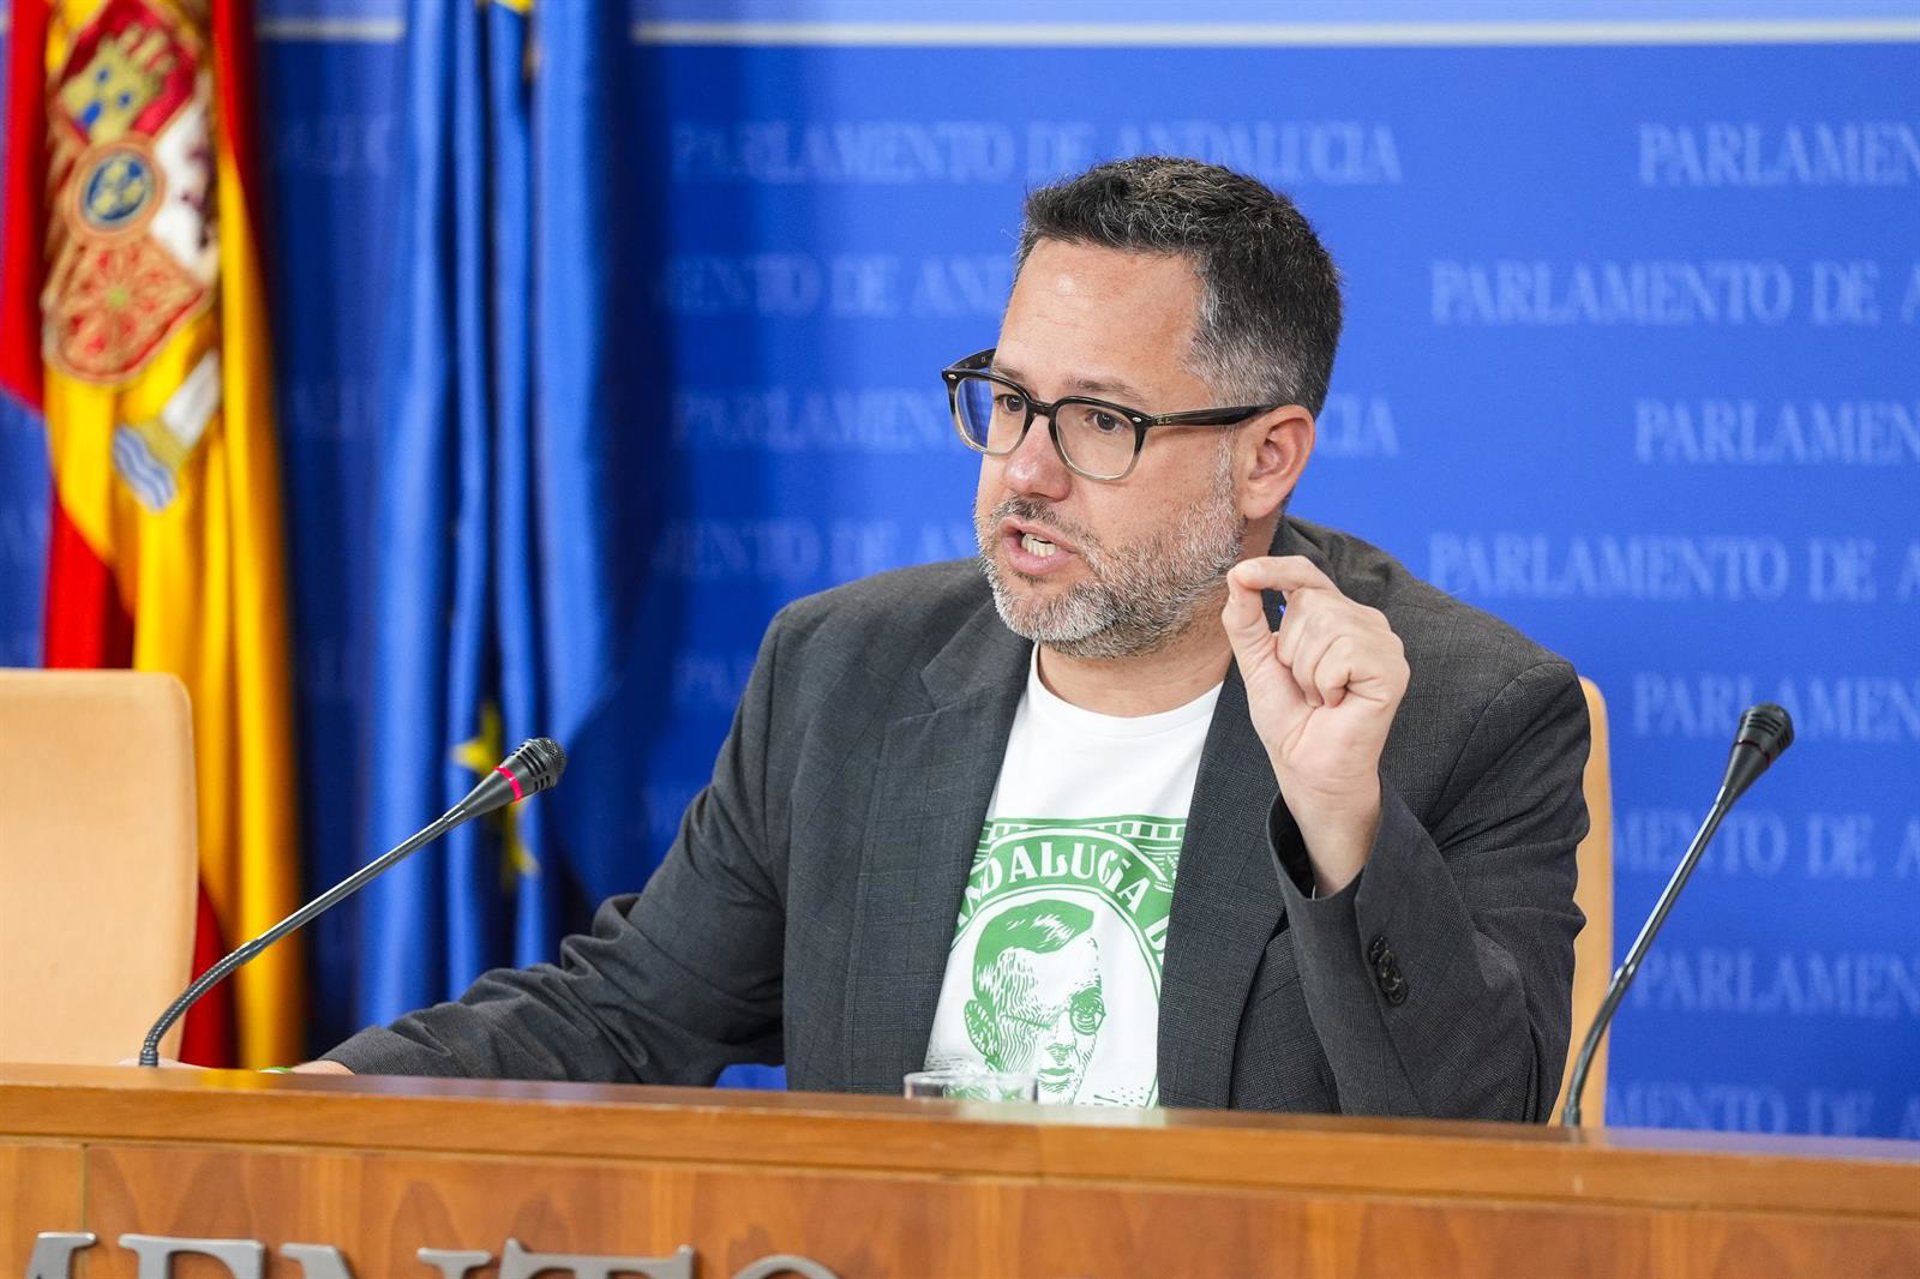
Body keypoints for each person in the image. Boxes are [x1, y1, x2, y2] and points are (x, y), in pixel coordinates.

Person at [310, 156, 1589, 1120]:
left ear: (1267, 457)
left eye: (1100, 421)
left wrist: (1343, 824)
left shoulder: (1467, 714)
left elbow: (1483, 1145)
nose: (1024, 469)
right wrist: (313, 1098)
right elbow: (627, 1016)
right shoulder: (841, 672)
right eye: (1009, 398)